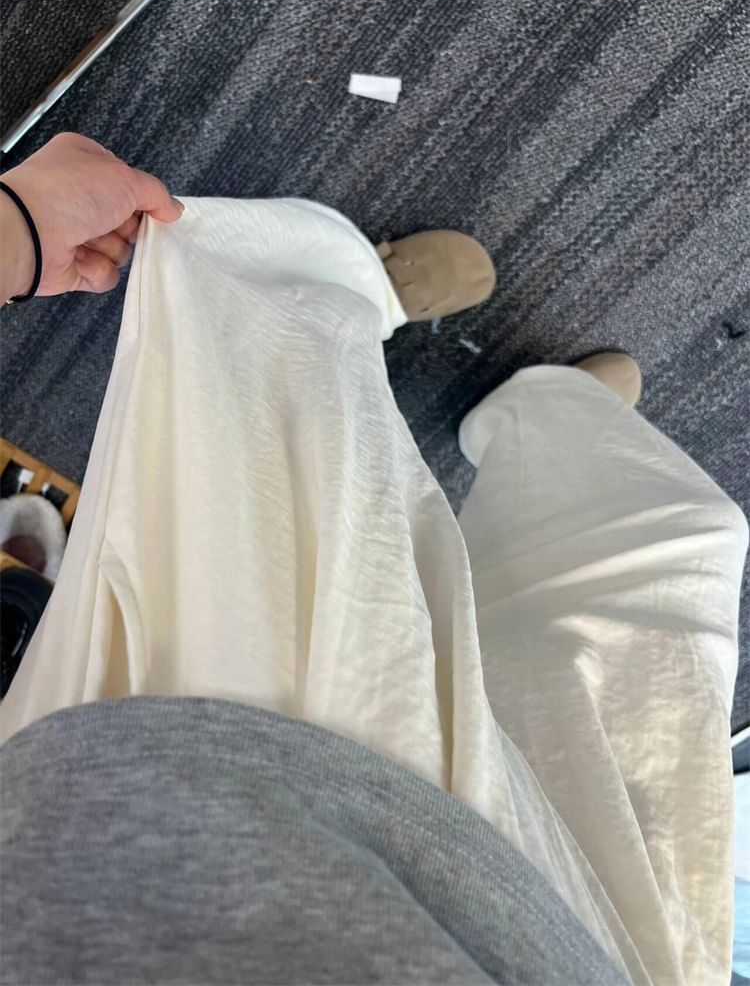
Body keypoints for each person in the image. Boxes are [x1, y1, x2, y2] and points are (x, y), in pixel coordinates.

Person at [0, 132, 746, 986]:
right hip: (557, 948)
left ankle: (347, 296)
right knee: (659, 578)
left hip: (161, 795)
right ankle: (553, 425)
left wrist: (13, 230)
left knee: (264, 411)